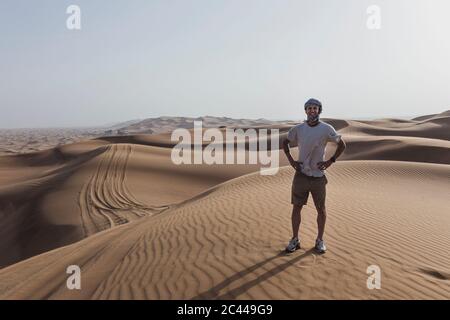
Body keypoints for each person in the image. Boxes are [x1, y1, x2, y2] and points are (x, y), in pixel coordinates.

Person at [283, 98, 346, 253]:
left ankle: (319, 240)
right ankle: (295, 239)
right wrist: (291, 161)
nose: (312, 111)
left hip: (318, 176)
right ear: (305, 111)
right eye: (309, 108)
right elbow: (285, 142)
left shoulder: (326, 128)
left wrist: (330, 161)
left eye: (315, 108)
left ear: (319, 110)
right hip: (301, 175)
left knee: (321, 209)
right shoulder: (298, 129)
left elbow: (342, 144)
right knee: (296, 208)